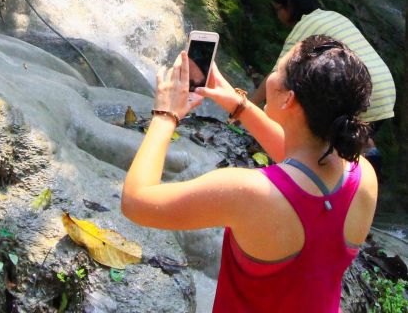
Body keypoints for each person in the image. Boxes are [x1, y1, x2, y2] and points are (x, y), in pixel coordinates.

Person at [122, 35, 378, 312]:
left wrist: (165, 114)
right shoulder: (362, 175)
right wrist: (237, 105)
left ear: (289, 99)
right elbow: (303, 166)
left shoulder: (249, 192)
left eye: (278, 69)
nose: (272, 74)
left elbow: (136, 202)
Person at [252, 0, 396, 128]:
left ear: (289, 6)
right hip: (385, 92)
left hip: (364, 94)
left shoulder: (306, 26)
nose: (277, 16)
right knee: (355, 143)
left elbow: (278, 76)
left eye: (277, 9)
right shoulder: (334, 16)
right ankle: (370, 150)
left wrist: (248, 106)